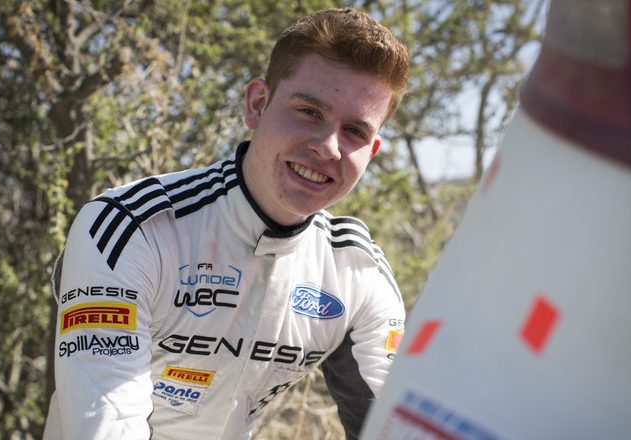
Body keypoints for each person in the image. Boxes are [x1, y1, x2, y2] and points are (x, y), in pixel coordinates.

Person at [43, 7, 408, 440]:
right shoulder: (131, 227)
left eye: (355, 132)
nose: (328, 147)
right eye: (309, 111)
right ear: (257, 105)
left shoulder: (358, 273)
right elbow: (104, 428)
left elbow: (397, 427)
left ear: (372, 151)